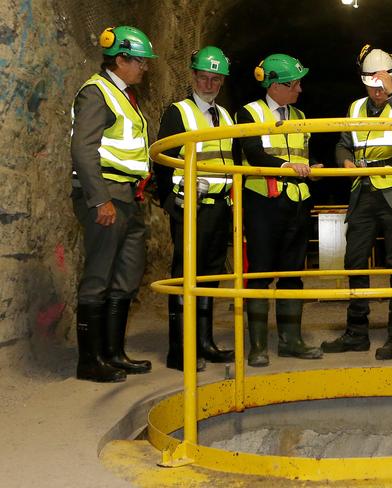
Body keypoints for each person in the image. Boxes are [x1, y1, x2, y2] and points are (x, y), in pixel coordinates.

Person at [321, 45, 392, 360]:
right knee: (354, 261)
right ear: (364, 82)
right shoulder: (355, 108)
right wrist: (345, 163)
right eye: (373, 84)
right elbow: (343, 143)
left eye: (383, 84)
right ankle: (357, 332)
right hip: (363, 191)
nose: (377, 91)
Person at [70, 26, 156, 382]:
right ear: (120, 59)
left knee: (126, 277)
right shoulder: (97, 92)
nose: (145, 69)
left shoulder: (126, 96)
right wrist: (100, 199)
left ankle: (113, 353)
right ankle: (89, 362)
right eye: (141, 62)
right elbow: (83, 149)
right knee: (98, 277)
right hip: (106, 195)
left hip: (129, 197)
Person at [235, 53, 323, 367]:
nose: (300, 90)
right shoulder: (249, 113)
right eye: (295, 84)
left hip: (297, 203)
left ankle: (292, 341)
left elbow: (300, 152)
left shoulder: (299, 115)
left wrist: (310, 167)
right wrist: (288, 166)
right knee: (259, 275)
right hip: (264, 204)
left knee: (292, 275)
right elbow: (253, 152)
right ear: (275, 85)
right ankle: (257, 346)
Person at [154, 46, 235, 371]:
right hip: (190, 208)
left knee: (210, 278)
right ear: (193, 77)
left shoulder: (226, 116)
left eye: (216, 79)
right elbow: (160, 161)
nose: (209, 84)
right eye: (204, 78)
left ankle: (204, 342)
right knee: (184, 275)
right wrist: (169, 202)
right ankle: (180, 350)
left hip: (219, 207)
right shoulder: (178, 113)